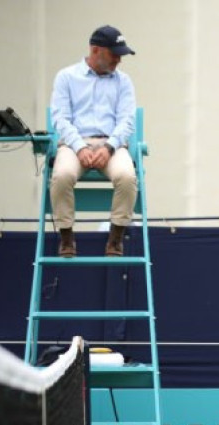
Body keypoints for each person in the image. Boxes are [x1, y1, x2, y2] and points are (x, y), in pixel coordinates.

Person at [49, 25, 138, 257]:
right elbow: (60, 118)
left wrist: (109, 147)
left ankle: (116, 238)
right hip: (73, 143)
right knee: (61, 176)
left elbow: (127, 121)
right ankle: (66, 237)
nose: (119, 59)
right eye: (114, 53)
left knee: (127, 177)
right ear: (96, 50)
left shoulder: (124, 81)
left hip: (112, 144)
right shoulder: (66, 77)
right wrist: (79, 147)